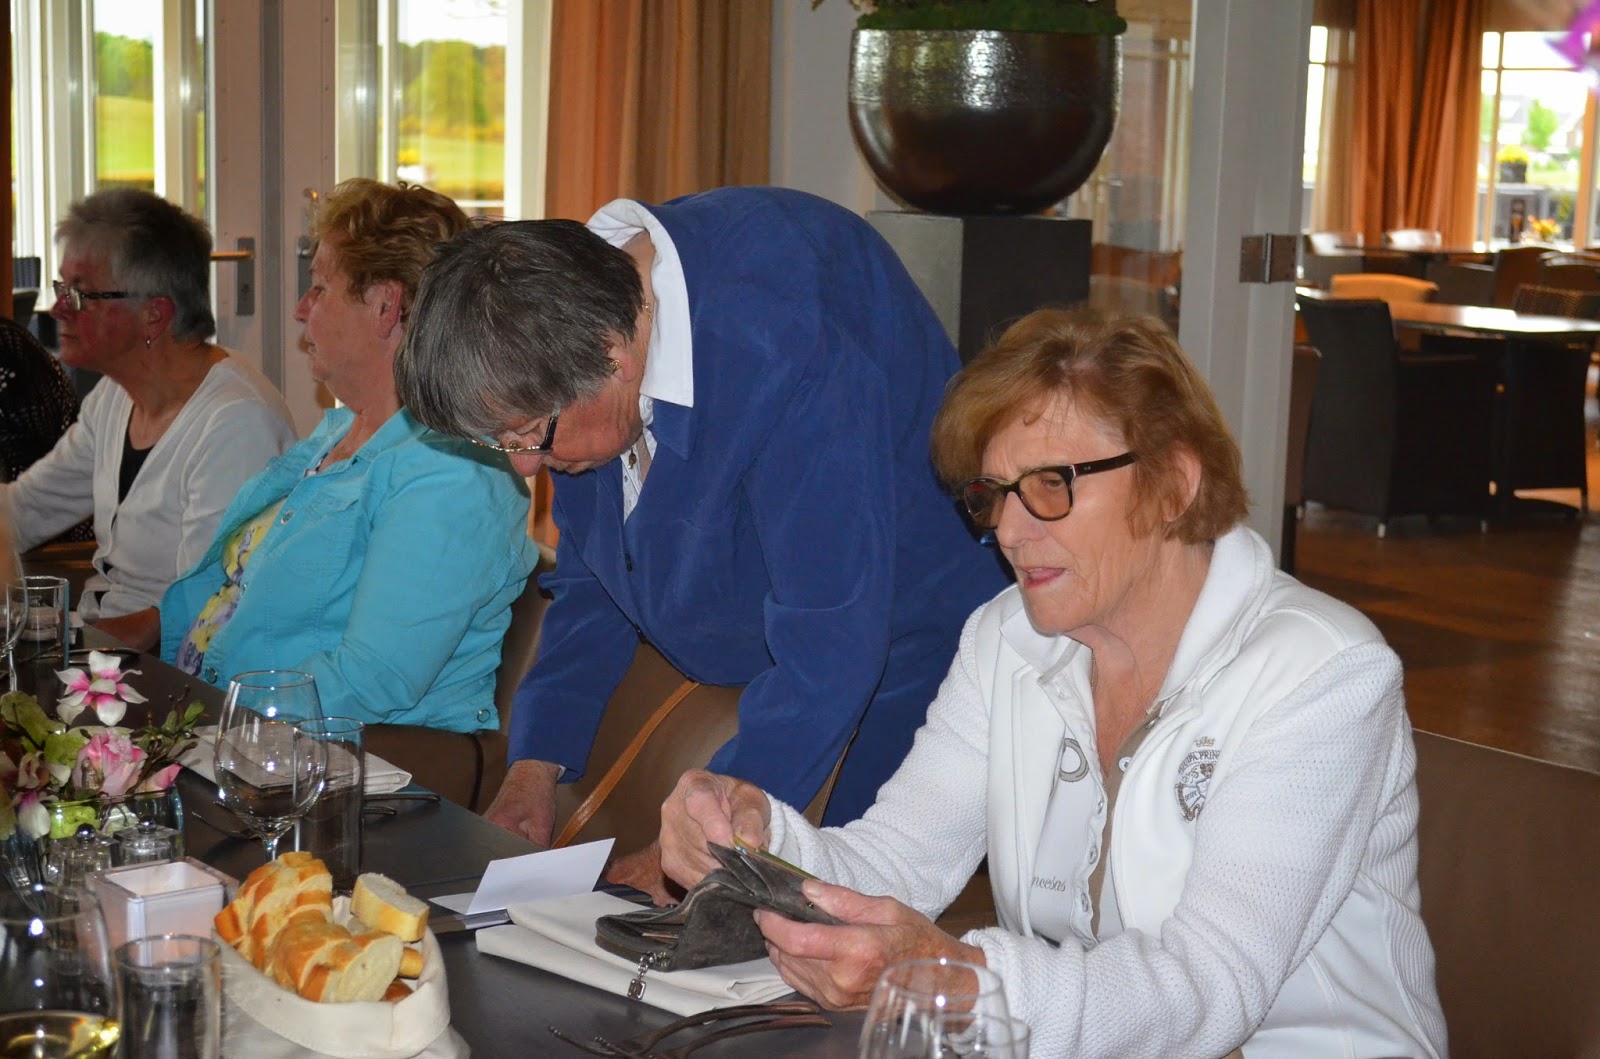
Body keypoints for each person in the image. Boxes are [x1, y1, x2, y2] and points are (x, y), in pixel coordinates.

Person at [657, 310, 1447, 1058]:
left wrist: (967, 984)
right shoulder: (1006, 639)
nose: (1008, 528)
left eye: (1050, 484)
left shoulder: (1321, 673)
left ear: (1174, 483)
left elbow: (1211, 983)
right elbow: (900, 857)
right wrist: (760, 841)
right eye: (994, 493)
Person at [394, 186, 1006, 889]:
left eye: (527, 436)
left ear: (614, 355)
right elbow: (595, 582)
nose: (524, 467)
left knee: (811, 927)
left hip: (906, 667)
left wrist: (691, 851)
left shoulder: (783, 337)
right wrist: (533, 767)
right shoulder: (577, 320)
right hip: (802, 659)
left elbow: (830, 640)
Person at [159, 179, 536, 732]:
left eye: (319, 287)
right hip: (228, 720)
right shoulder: (340, 433)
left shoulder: (453, 471)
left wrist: (222, 729)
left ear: (386, 305)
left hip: (337, 754)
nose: (300, 310)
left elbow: (371, 678)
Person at [0, 189, 297, 646]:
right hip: (105, 640)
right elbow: (25, 510)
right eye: (61, 289)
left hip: (170, 668)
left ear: (154, 315)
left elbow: (204, 610)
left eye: (79, 294)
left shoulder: (236, 422)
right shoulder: (115, 396)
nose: (58, 308)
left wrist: (66, 643)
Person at [0, 317, 92, 542]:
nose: (58, 309)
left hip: (55, 540)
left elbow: (28, 503)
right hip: (30, 518)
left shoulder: (7, 347)